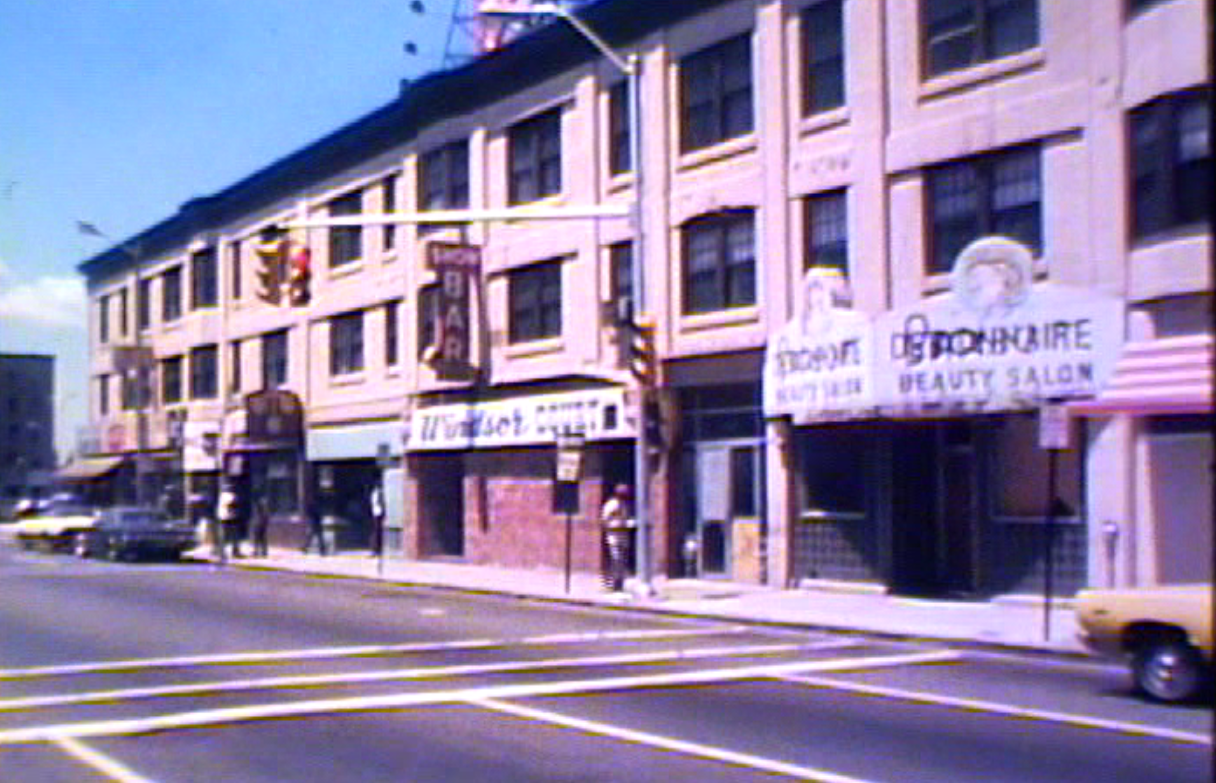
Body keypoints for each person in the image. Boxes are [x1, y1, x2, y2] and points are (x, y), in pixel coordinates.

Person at [600, 484, 635, 592]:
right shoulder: (612, 505)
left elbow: (625, 518)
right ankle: (611, 585)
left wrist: (628, 523)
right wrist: (617, 524)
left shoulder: (624, 505)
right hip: (614, 536)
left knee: (622, 562)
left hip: (623, 536)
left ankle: (619, 584)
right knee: (615, 560)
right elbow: (604, 520)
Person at [217, 484, 243, 559]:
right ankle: (235, 551)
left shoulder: (221, 496)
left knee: (224, 535)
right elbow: (231, 504)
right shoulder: (231, 496)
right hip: (230, 517)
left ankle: (222, 552)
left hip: (222, 517)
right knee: (234, 535)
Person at [250, 493, 271, 558]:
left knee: (257, 537)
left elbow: (259, 514)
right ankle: (263, 552)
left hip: (259, 522)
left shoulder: (259, 504)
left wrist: (256, 522)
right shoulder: (264, 504)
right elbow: (266, 515)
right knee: (262, 537)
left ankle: (257, 552)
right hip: (262, 522)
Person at [368, 484, 385, 557]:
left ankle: (376, 550)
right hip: (378, 513)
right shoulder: (377, 493)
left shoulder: (375, 493)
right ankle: (375, 550)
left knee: (377, 532)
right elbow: (378, 502)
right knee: (377, 532)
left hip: (376, 513)